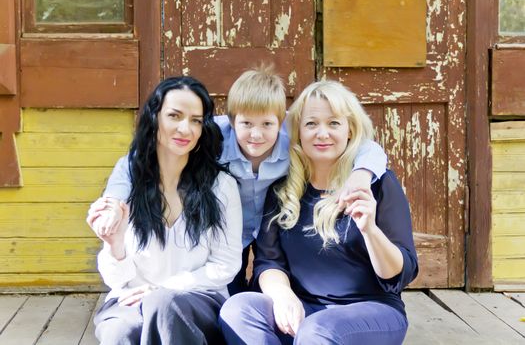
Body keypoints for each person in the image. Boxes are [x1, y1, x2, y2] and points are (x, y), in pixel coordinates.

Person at [89, 65, 388, 296]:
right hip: (230, 236)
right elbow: (136, 159)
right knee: (226, 301)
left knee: (271, 294)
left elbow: (369, 148)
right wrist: (114, 202)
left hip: (275, 232)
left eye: (267, 124)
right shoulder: (214, 136)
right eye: (246, 123)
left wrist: (361, 175)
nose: (255, 135)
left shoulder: (291, 140)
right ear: (232, 121)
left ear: (281, 121)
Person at [219, 80, 419, 345]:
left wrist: (370, 230)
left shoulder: (377, 185)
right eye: (311, 124)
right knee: (238, 309)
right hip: (303, 312)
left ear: (350, 130)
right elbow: (269, 262)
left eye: (334, 123)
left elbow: (400, 274)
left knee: (318, 330)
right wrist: (282, 295)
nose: (322, 133)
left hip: (370, 311)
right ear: (297, 133)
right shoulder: (283, 188)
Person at [89, 76, 242, 344]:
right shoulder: (129, 181)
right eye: (174, 115)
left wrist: (164, 289)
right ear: (155, 118)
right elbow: (117, 279)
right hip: (132, 298)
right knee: (118, 332)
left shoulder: (220, 186)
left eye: (196, 120)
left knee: (164, 304)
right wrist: (114, 246)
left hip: (197, 300)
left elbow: (225, 265)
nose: (186, 128)